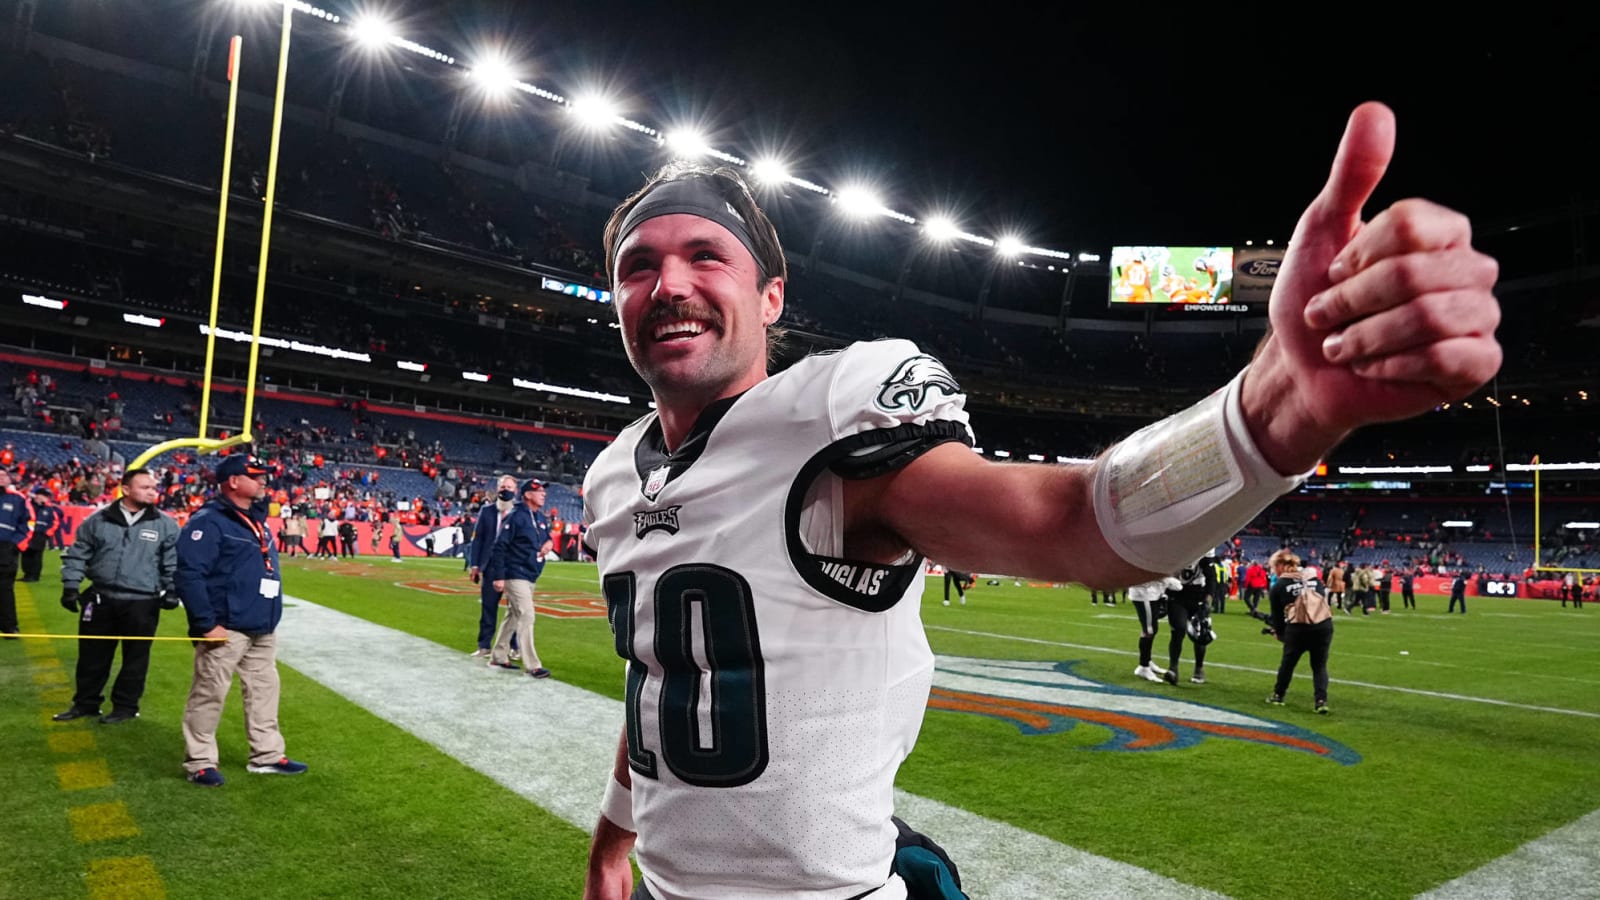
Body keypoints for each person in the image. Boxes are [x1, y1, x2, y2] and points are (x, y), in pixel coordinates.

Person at [580, 101, 1503, 900]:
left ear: (771, 294)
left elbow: (1072, 521)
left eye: (707, 256)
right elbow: (658, 677)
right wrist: (614, 844)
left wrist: (1273, 412)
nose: (669, 286)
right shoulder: (614, 475)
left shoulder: (822, 427)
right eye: (638, 265)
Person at [175, 455, 307, 787]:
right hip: (225, 624)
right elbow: (190, 574)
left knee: (264, 690)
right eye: (256, 475)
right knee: (209, 692)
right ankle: (200, 760)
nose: (264, 481)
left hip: (260, 624)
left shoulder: (256, 519)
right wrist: (205, 624)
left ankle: (266, 755)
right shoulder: (209, 521)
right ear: (233, 481)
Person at [51, 468, 178, 724]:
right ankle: (85, 704)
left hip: (143, 602)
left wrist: (172, 589)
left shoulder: (166, 524)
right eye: (145, 487)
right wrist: (71, 586)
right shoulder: (97, 520)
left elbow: (173, 562)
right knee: (91, 656)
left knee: (135, 659)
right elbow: (78, 553)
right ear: (126, 489)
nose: (152, 492)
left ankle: (125, 707)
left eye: (154, 487)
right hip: (101, 598)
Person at [486, 478, 553, 678]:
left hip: (530, 572)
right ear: (527, 495)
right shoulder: (515, 517)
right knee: (526, 614)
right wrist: (499, 576)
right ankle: (533, 664)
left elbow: (544, 538)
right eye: (538, 491)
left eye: (543, 490)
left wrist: (548, 544)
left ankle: (499, 655)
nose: (543, 493)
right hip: (515, 573)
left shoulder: (540, 518)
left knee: (513, 616)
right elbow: (499, 546)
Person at [1263, 549, 1334, 714]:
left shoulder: (1279, 585)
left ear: (1280, 566)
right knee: (1319, 666)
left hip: (1298, 628)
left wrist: (1279, 634)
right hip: (1323, 625)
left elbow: (1277, 617)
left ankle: (1278, 695)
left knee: (1288, 663)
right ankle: (1321, 701)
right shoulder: (1313, 579)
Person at [466, 475, 520, 657]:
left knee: (515, 610)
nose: (506, 489)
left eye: (510, 487)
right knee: (488, 607)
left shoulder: (520, 512)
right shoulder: (487, 511)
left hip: (513, 567)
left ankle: (514, 646)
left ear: (516, 490)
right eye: (503, 486)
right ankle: (484, 645)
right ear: (497, 489)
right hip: (490, 566)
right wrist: (474, 565)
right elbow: (478, 539)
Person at [1162, 557, 1216, 685]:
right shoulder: (1175, 552)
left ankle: (1199, 667)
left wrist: (1207, 602)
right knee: (1178, 630)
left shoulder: (1204, 556)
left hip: (1198, 596)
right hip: (1177, 595)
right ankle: (1173, 668)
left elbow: (1211, 579)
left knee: (1200, 632)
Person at [0, 465, 36, 637]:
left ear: (8, 479)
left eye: (3, 475)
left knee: (5, 589)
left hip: (6, 549)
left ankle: (9, 626)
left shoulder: (18, 499)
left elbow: (29, 524)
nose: (1, 478)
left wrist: (16, 544)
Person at [1131, 575, 1180, 682]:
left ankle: (1146, 661)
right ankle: (1143, 667)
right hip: (1143, 591)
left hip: (1153, 591)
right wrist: (1166, 580)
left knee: (1151, 629)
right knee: (1150, 630)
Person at [19, 486, 60, 582]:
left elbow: (55, 522)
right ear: (38, 495)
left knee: (37, 556)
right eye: (44, 496)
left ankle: (35, 576)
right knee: (26, 555)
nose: (46, 498)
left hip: (40, 534)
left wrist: (48, 533)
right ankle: (27, 574)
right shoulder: (27, 505)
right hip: (28, 533)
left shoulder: (49, 509)